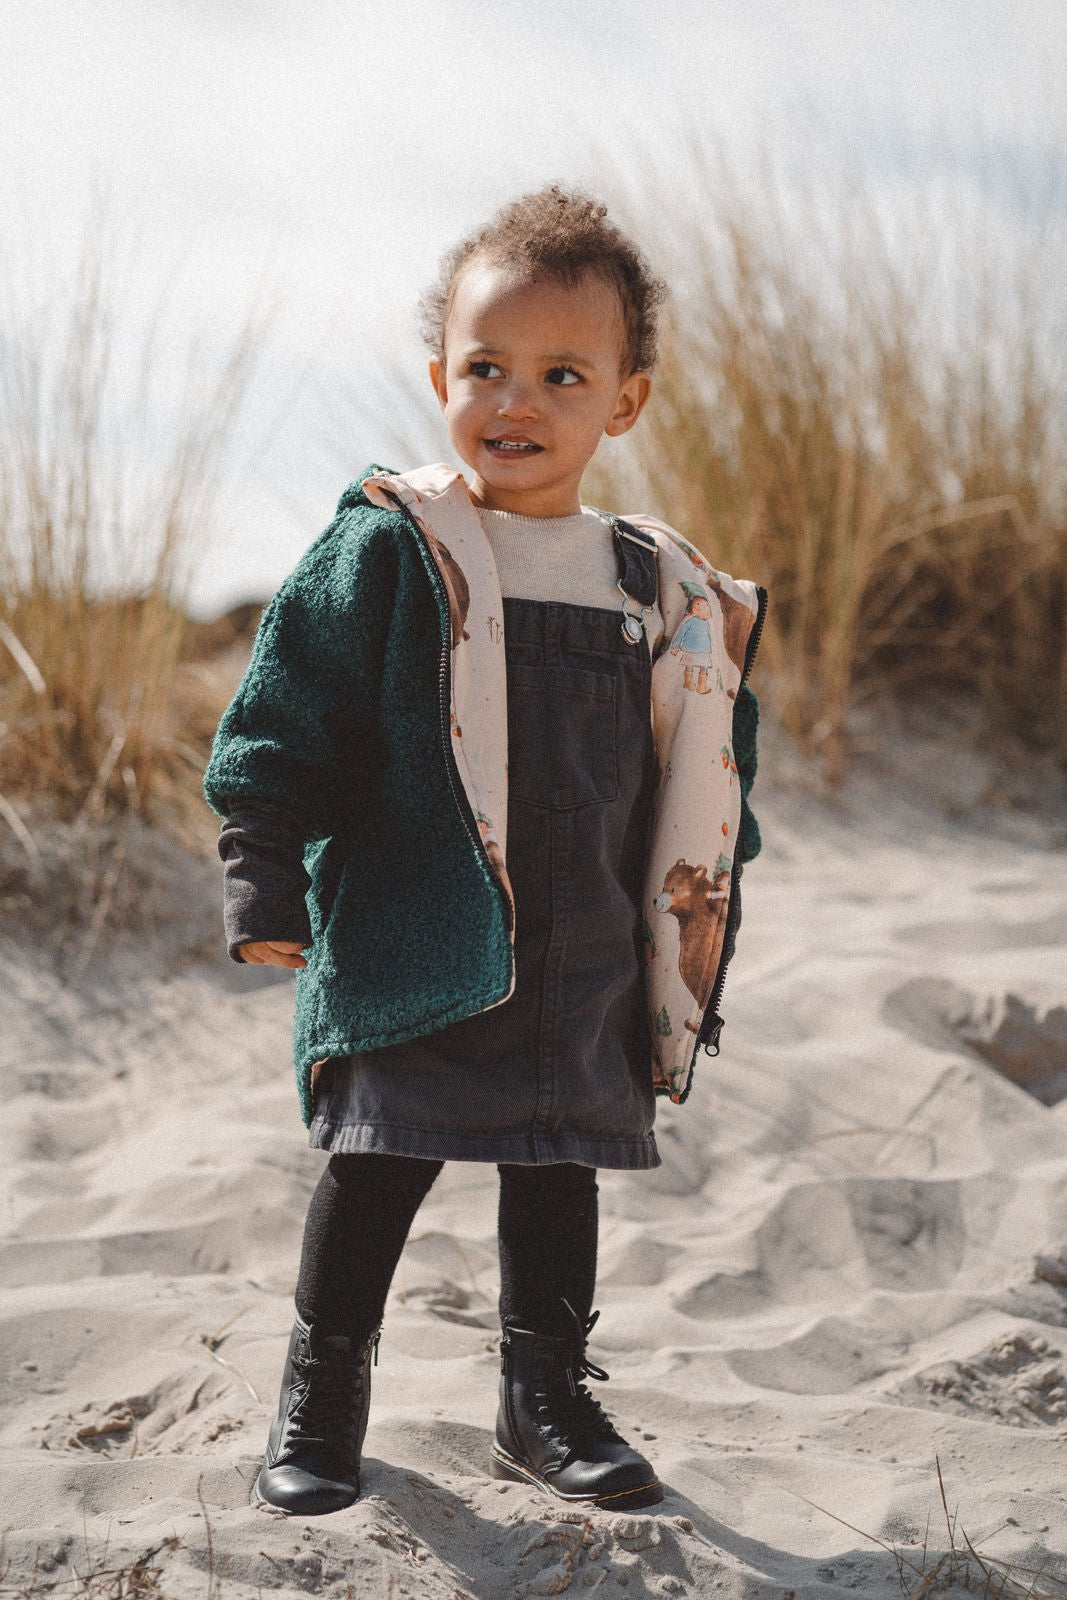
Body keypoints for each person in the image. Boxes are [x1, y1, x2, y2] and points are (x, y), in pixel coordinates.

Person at [203, 184, 768, 1518]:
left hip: (584, 951)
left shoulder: (651, 579)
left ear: (623, 402)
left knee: (557, 1162)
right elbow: (278, 721)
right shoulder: (393, 552)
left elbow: (705, 762)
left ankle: (544, 1396)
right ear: (439, 377)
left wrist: (708, 909)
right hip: (421, 930)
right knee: (379, 1154)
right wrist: (261, 872)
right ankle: (323, 1391)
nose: (517, 400)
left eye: (561, 374)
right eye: (486, 369)